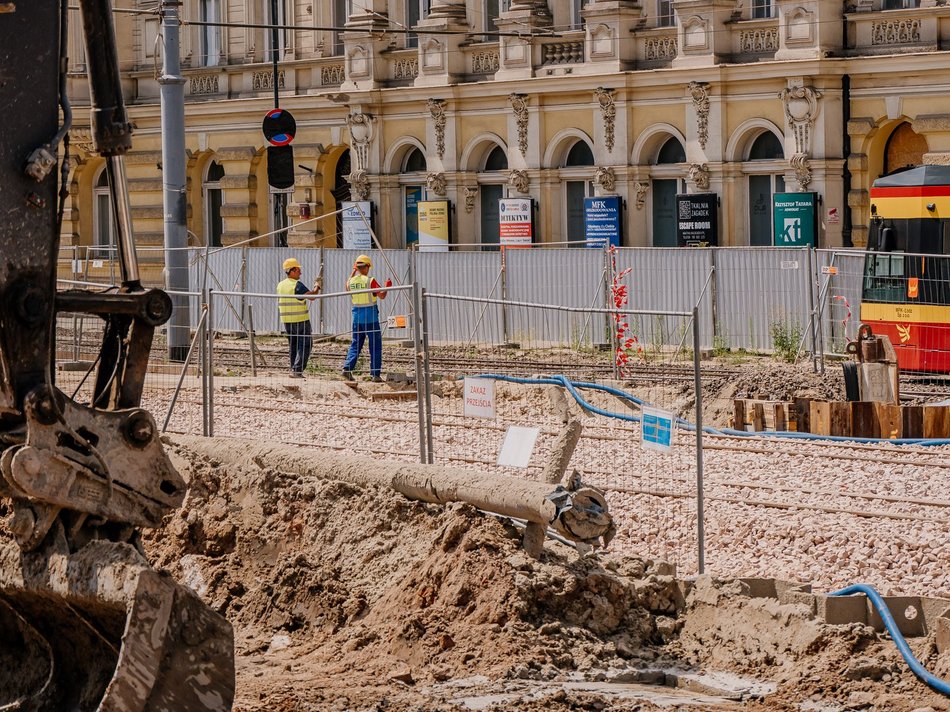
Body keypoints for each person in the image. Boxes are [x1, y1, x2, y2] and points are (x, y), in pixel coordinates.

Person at [343, 254, 391, 382]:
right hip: (371, 319)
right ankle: (375, 374)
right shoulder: (370, 280)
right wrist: (387, 287)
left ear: (356, 267)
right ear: (367, 267)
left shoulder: (351, 281)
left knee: (355, 344)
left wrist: (353, 271)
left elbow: (346, 286)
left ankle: (347, 368)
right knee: (375, 345)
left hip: (357, 318)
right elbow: (381, 295)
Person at [277, 257, 321, 378]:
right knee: (306, 344)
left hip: (287, 320)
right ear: (292, 270)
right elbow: (312, 296)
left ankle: (294, 368)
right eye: (298, 270)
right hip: (300, 319)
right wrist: (317, 286)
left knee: (293, 345)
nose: (300, 272)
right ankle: (297, 370)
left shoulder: (280, 285)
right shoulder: (296, 285)